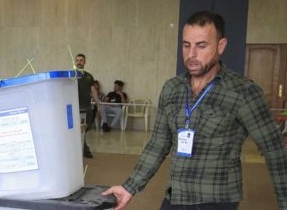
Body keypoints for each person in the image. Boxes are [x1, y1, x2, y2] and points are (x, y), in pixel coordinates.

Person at [103, 11, 287, 210]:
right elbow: (158, 144)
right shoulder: (172, 88)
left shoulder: (243, 92)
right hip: (175, 196)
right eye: (186, 45)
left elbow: (274, 150)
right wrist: (129, 187)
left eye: (201, 46)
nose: (191, 54)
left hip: (216, 200)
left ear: (221, 46)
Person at [76, 54, 101, 158]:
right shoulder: (71, 75)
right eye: (77, 60)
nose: (79, 62)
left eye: (81, 60)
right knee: (78, 129)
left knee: (87, 126)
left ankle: (83, 147)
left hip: (86, 106)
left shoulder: (89, 76)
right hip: (75, 106)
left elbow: (93, 90)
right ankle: (84, 149)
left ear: (85, 62)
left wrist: (98, 103)